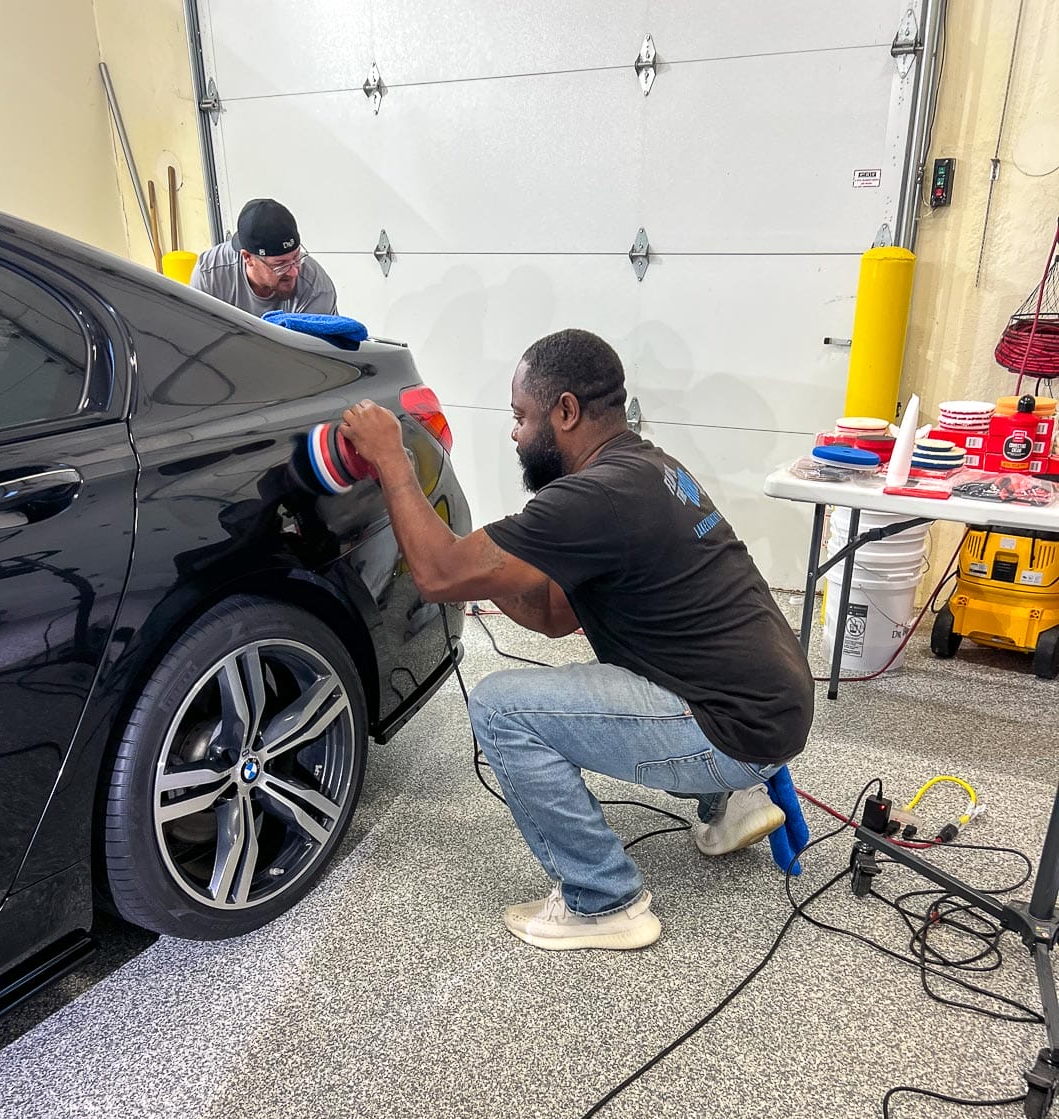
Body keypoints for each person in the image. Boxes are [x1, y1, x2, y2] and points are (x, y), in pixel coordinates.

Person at [338, 330, 814, 953]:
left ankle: (604, 900)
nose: (514, 434)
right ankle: (733, 800)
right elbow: (555, 616)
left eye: (521, 416)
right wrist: (490, 571)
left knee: (499, 709)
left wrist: (392, 462)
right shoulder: (648, 467)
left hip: (736, 725)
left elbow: (437, 574)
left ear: (565, 411)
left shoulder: (593, 497)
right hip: (769, 703)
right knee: (625, 678)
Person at [189, 198, 338, 317]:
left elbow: (309, 347)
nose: (294, 272)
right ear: (248, 257)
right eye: (281, 264)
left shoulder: (316, 289)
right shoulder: (210, 276)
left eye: (296, 257)